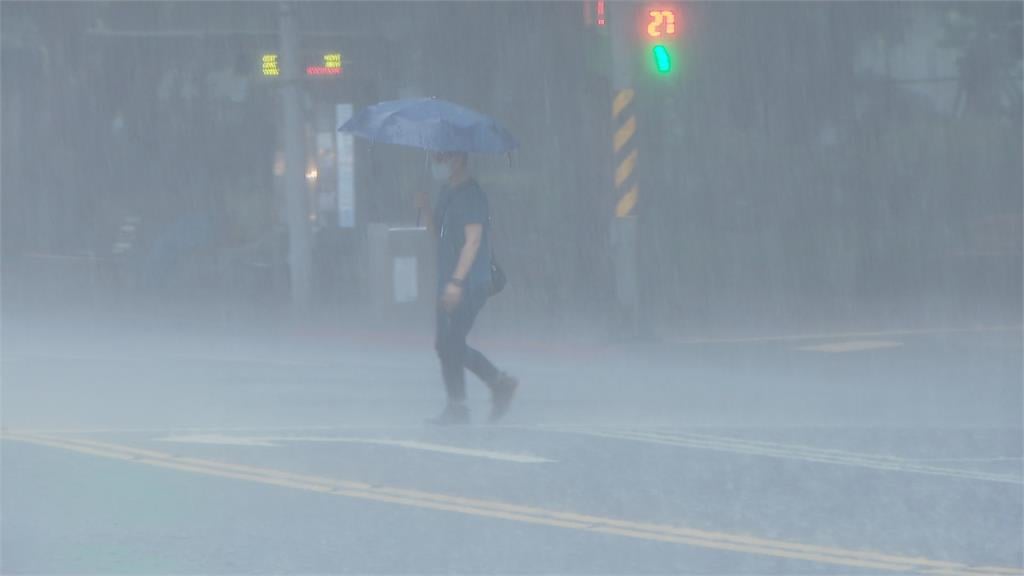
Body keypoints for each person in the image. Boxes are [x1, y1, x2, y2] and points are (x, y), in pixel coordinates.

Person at [421, 150, 517, 425]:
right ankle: (461, 404)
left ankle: (494, 385)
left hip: (468, 282)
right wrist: (426, 207)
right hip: (450, 280)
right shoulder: (447, 192)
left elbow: (473, 242)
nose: (436, 164)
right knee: (446, 344)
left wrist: (456, 282)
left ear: (458, 159)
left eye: (441, 158)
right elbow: (437, 234)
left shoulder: (471, 195)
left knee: (450, 342)